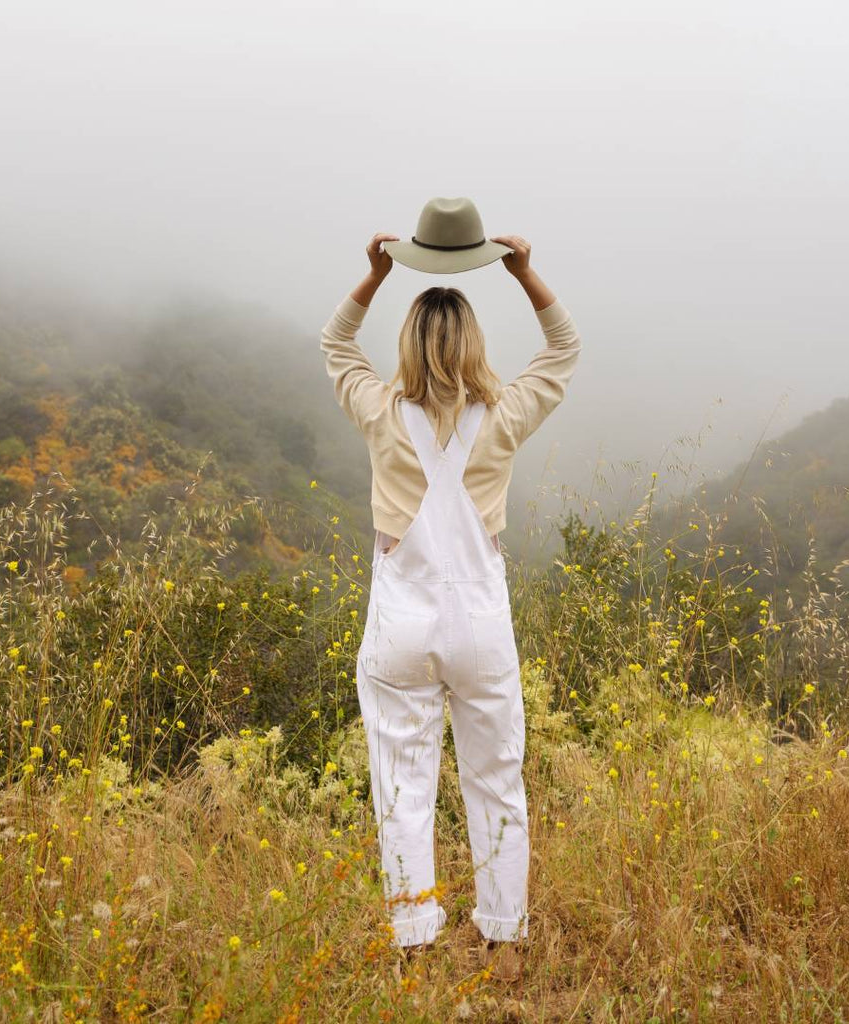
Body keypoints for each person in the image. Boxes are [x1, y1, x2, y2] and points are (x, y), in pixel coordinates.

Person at [319, 229, 581, 980]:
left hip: (402, 627)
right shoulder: (503, 416)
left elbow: (336, 343)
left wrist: (372, 276)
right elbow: (563, 348)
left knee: (402, 787)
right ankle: (501, 939)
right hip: (481, 628)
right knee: (496, 781)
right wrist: (526, 273)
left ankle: (414, 944)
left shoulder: (378, 411)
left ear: (407, 342)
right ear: (472, 344)